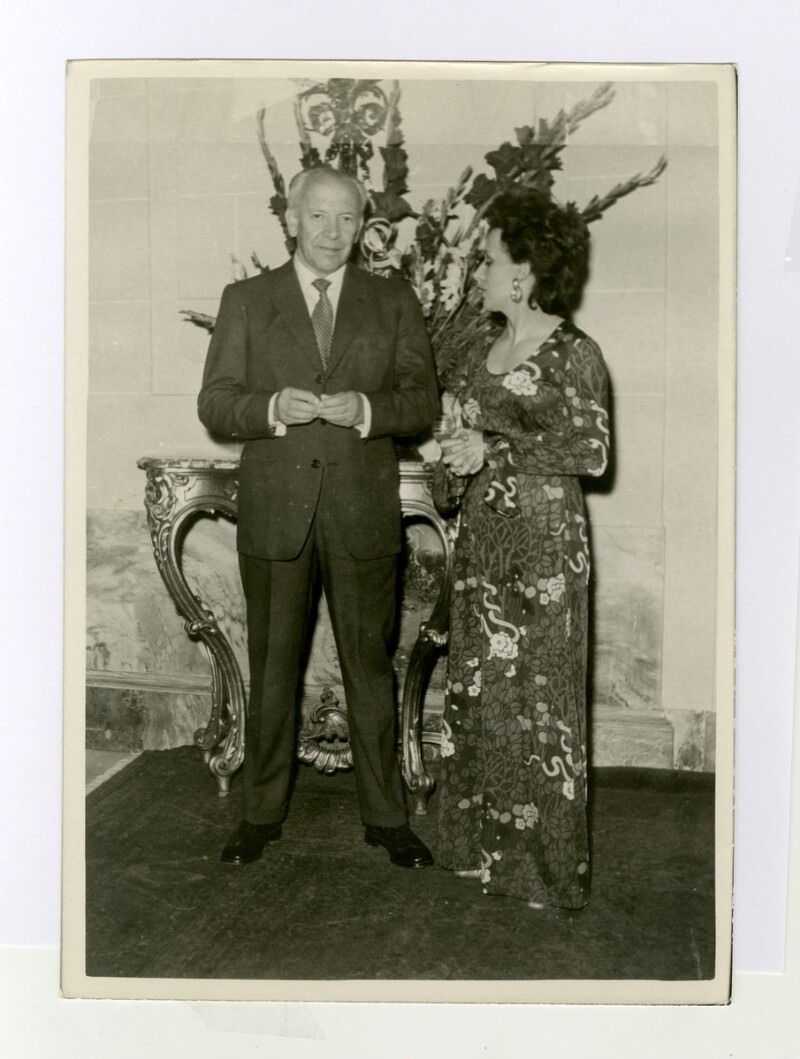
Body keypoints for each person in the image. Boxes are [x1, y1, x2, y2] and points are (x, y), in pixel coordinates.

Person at [198, 166, 439, 869]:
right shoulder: (247, 299)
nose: (333, 233)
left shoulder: (393, 299)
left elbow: (421, 401)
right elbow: (215, 402)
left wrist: (367, 410)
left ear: (364, 225)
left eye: (348, 219)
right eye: (319, 217)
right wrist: (272, 407)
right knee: (273, 668)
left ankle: (387, 819)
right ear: (292, 219)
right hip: (277, 511)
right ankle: (259, 814)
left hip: (362, 509)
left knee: (370, 666)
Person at [434, 188, 610, 909]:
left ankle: (545, 872)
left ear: (525, 272)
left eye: (489, 259)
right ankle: (479, 853)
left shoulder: (575, 353)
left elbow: (591, 451)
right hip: (483, 547)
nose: (477, 271)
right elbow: (458, 455)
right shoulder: (476, 351)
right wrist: (452, 453)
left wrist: (494, 449)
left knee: (544, 704)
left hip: (545, 551)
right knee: (483, 693)